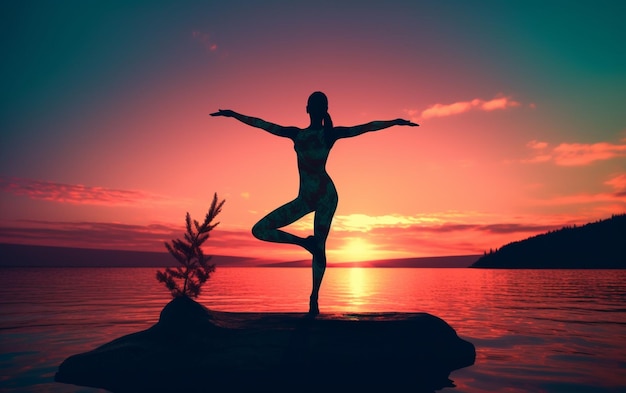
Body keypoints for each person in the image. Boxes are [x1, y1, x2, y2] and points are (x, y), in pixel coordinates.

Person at [211, 92, 418, 315]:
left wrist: (394, 123)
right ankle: (304, 244)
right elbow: (263, 124)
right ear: (312, 109)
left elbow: (366, 127)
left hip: (326, 197)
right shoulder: (299, 134)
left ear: (309, 109)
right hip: (306, 198)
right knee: (260, 230)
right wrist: (233, 115)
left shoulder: (327, 135)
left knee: (319, 246)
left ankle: (314, 299)